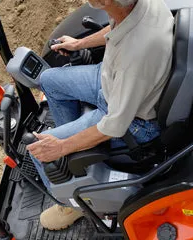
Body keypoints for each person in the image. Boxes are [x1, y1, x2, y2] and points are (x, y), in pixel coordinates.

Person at [27, 0, 174, 230]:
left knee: (40, 154)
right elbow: (117, 27)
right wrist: (79, 44)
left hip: (132, 121)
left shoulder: (136, 56)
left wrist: (62, 147)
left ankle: (73, 205)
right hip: (110, 80)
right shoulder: (135, 6)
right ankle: (77, 163)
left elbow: (114, 125)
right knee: (48, 81)